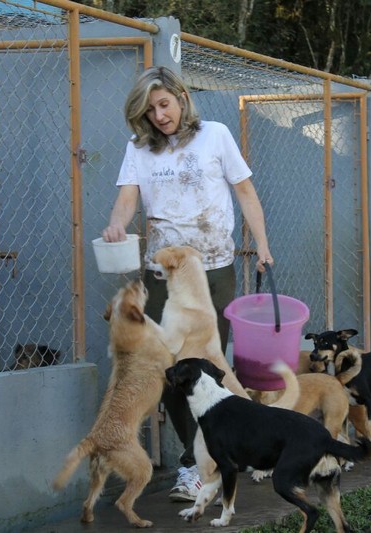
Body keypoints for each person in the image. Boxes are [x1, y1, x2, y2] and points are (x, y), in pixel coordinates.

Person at [101, 66, 274, 502]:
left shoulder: (214, 135)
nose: (159, 115)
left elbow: (246, 192)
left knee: (208, 371)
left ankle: (216, 459)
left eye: (164, 104)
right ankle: (195, 465)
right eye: (150, 109)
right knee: (169, 373)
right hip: (163, 275)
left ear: (181, 97)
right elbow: (127, 198)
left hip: (213, 270)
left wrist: (264, 246)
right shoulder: (139, 148)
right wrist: (116, 225)